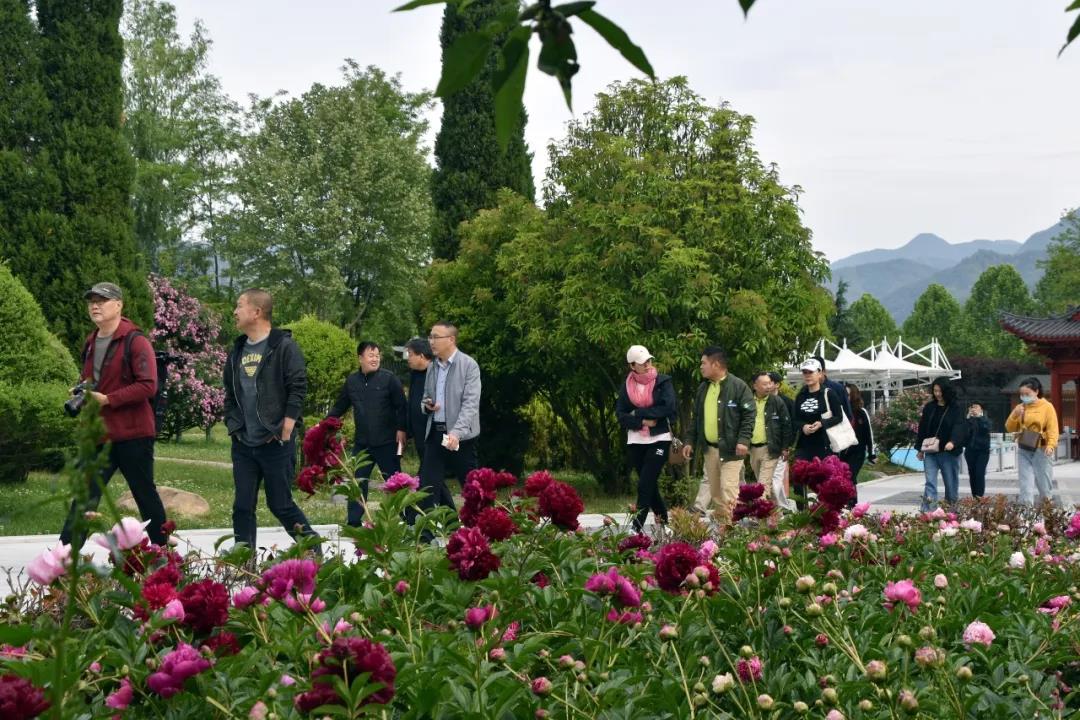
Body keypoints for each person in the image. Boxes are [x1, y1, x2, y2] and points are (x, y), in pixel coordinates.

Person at [59, 282, 169, 548]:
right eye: (91, 301)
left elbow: (147, 385)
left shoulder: (136, 340)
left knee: (144, 494)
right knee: (86, 496)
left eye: (102, 300)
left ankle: (164, 554)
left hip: (133, 433)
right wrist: (82, 389)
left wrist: (108, 399)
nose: (95, 305)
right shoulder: (91, 341)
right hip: (101, 434)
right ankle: (63, 557)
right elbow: (94, 379)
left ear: (118, 305)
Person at [223, 288, 319, 550]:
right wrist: (232, 424)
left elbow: (297, 386)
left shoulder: (284, 347)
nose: (235, 311)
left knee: (280, 504)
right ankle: (244, 563)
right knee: (242, 506)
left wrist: (287, 425)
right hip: (244, 442)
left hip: (275, 440)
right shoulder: (237, 349)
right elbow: (230, 392)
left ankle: (315, 552)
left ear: (256, 312)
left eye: (239, 305)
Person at [327, 341, 407, 526]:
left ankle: (408, 519)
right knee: (357, 482)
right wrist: (323, 426)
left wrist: (402, 430)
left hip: (387, 442)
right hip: (363, 444)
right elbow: (340, 407)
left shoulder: (389, 379)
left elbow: (402, 407)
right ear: (360, 358)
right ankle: (353, 523)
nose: (375, 359)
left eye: (377, 355)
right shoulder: (352, 381)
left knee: (396, 483)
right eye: (371, 355)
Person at [681, 346, 755, 526]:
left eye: (703, 363)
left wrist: (744, 440)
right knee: (715, 493)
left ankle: (732, 531)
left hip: (732, 450)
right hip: (710, 449)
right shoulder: (702, 389)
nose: (701, 367)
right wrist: (689, 441)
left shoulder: (738, 386)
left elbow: (749, 415)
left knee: (728, 489)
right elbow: (696, 418)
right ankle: (725, 530)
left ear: (716, 364)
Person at [418, 321, 481, 515]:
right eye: (430, 337)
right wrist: (427, 406)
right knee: (427, 489)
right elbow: (425, 399)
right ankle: (426, 538)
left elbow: (470, 404)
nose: (431, 341)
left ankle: (485, 529)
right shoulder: (432, 367)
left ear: (451, 339)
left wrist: (456, 433)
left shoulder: (468, 365)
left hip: (461, 438)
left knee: (473, 489)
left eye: (436, 337)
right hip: (435, 435)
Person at [615, 345, 674, 532]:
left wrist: (638, 413)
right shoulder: (626, 387)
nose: (648, 365)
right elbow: (621, 416)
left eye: (649, 360)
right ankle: (665, 523)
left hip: (660, 439)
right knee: (648, 484)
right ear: (632, 365)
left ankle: (636, 527)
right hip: (635, 441)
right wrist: (643, 421)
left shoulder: (663, 382)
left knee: (644, 484)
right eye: (643, 363)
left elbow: (668, 408)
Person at [790, 358, 847, 508]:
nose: (808, 376)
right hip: (804, 443)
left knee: (823, 480)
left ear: (820, 373)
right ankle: (802, 512)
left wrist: (822, 423)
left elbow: (839, 416)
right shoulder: (801, 395)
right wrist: (803, 427)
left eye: (811, 372)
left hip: (824, 443)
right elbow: (794, 419)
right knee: (798, 478)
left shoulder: (828, 393)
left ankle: (824, 511)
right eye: (805, 373)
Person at [1004, 377, 1058, 506]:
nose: (1024, 397)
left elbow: (1053, 429)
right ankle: (1026, 517)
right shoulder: (1020, 407)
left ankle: (1048, 516)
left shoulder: (1047, 407)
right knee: (1025, 484)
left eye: (1027, 394)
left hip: (1042, 449)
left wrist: (1051, 445)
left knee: (1044, 486)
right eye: (1022, 394)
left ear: (1036, 392)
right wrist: (1014, 414)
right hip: (1025, 447)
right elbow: (1009, 427)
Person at [915, 376, 966, 511]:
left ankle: (952, 511)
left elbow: (959, 426)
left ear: (946, 391)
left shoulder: (955, 408)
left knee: (950, 484)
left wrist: (953, 442)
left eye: (940, 391)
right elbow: (923, 428)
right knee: (930, 482)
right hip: (931, 451)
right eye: (935, 391)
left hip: (948, 452)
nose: (937, 394)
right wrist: (920, 449)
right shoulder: (930, 407)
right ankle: (929, 512)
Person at [747, 372, 793, 496]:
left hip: (771, 448)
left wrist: (785, 447)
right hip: (753, 449)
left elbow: (786, 425)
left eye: (769, 383)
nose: (768, 386)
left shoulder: (777, 402)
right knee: (766, 483)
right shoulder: (748, 401)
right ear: (755, 386)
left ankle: (761, 513)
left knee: (763, 484)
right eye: (764, 384)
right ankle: (775, 511)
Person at [404, 337, 434, 471]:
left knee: (428, 471)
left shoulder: (436, 373)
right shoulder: (415, 373)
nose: (408, 358)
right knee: (429, 471)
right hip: (417, 431)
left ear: (421, 355)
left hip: (431, 431)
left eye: (410, 355)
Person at [845, 383, 875, 504]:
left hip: (857, 451)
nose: (846, 397)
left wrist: (871, 453)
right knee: (842, 476)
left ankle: (852, 505)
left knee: (850, 476)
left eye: (848, 394)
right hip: (842, 451)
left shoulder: (861, 412)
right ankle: (844, 504)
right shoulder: (840, 411)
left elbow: (869, 433)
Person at [963, 401, 991, 498]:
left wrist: (979, 417)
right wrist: (968, 418)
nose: (974, 409)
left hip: (982, 451)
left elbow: (986, 428)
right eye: (972, 407)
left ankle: (980, 497)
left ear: (981, 409)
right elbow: (964, 433)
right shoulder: (969, 420)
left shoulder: (985, 420)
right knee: (972, 474)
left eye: (976, 407)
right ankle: (974, 496)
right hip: (970, 451)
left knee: (979, 473)